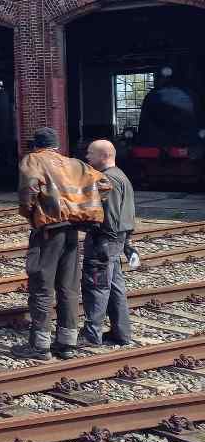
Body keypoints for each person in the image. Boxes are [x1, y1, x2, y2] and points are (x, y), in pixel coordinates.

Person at [14, 126, 109, 360]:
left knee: (42, 286)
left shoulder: (33, 160)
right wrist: (80, 207)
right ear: (56, 145)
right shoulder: (74, 164)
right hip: (71, 232)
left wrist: (30, 212)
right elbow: (105, 184)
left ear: (36, 145)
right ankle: (67, 344)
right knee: (68, 287)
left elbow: (29, 189)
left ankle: (40, 346)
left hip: (48, 232)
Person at [81, 139, 137, 346]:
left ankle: (91, 336)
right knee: (114, 287)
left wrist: (92, 230)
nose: (87, 157)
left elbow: (110, 217)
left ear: (104, 156)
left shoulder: (107, 179)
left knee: (97, 286)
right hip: (117, 240)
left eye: (90, 153)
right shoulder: (121, 175)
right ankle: (121, 333)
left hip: (104, 241)